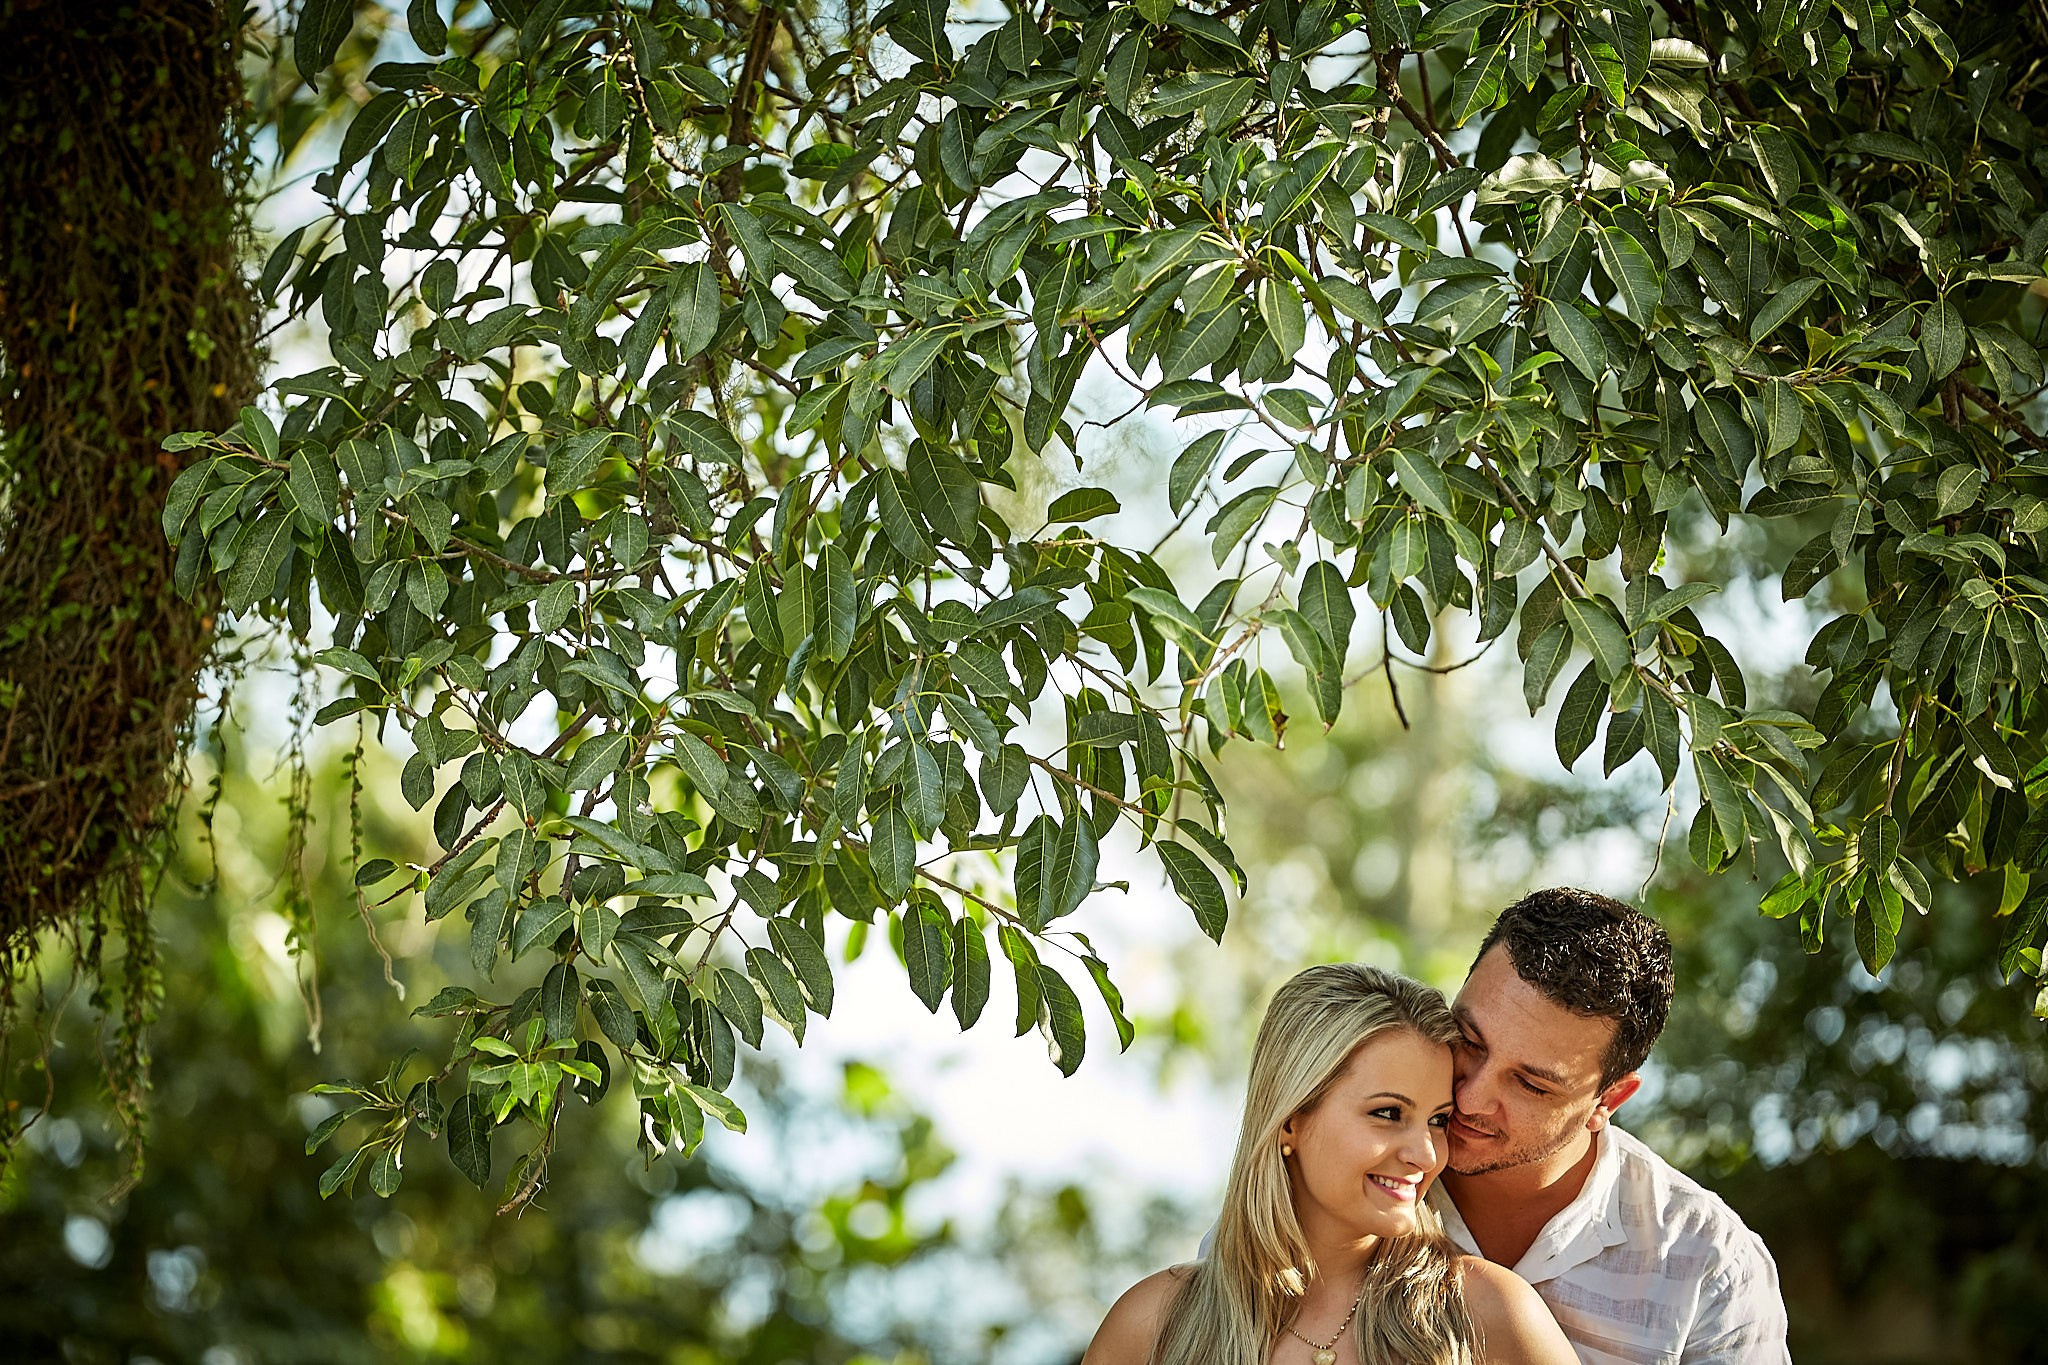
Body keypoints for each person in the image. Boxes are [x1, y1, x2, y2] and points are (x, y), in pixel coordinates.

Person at [1084, 963, 1577, 1365]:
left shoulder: (1489, 1312)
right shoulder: (1151, 1326)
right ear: (1291, 1119)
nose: (1426, 1155)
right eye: (1388, 1113)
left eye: (1437, 1120)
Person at [1437, 888, 1791, 1363]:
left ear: (1609, 1099)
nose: (1470, 1097)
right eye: (1470, 1040)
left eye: (1531, 1085)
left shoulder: (1711, 1265)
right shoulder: (1353, 1175)